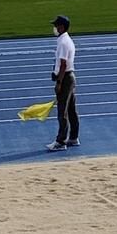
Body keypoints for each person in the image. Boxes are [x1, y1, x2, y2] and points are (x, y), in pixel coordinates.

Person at [48, 13, 79, 151]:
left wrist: (59, 82)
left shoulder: (62, 42)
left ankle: (61, 141)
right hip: (69, 77)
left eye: (56, 25)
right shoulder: (67, 40)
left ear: (61, 27)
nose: (54, 28)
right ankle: (73, 137)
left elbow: (63, 64)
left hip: (65, 78)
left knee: (63, 111)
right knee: (71, 109)